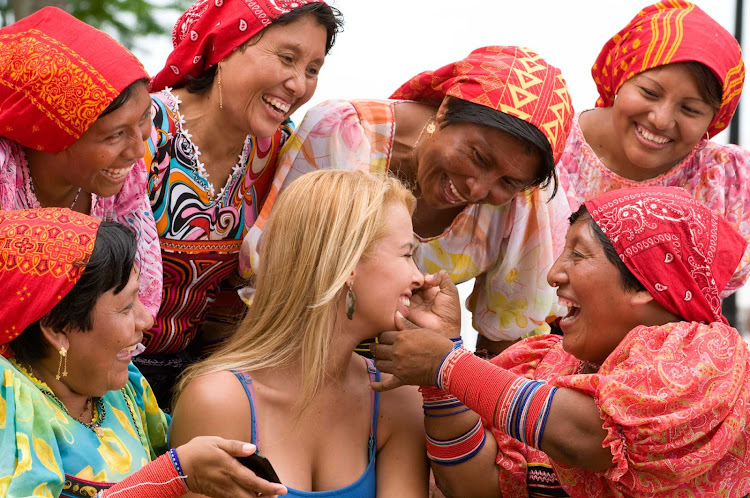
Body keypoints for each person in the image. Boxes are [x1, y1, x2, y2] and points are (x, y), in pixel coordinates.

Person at [369, 186, 750, 497]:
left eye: (578, 254)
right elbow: (476, 486)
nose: (553, 273)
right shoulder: (548, 364)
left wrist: (447, 366)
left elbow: (591, 435)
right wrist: (442, 380)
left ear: (644, 282)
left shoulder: (709, 356)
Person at [241, 45, 574, 358]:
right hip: (303, 352)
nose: (477, 190)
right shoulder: (345, 134)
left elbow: (507, 331)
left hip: (415, 373)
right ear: (444, 111)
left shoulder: (523, 200)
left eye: (508, 182)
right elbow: (280, 275)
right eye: (479, 157)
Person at [171, 170, 429, 497]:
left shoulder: (396, 400)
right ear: (347, 264)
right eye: (407, 254)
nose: (419, 277)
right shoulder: (218, 401)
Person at [0, 208, 287, 497]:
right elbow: (172, 472)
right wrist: (170, 475)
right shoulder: (10, 402)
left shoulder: (123, 390)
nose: (147, 320)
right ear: (58, 328)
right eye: (126, 307)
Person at [140, 0, 344, 407]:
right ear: (228, 46)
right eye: (287, 58)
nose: (298, 85)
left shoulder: (280, 155)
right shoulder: (145, 129)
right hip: (99, 365)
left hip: (199, 373)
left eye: (312, 70)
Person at [557, 0, 750, 296]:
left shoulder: (728, 181)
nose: (660, 120)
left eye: (689, 109)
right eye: (649, 92)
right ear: (622, 76)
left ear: (714, 119)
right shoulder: (551, 147)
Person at [0, 7, 161, 318]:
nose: (138, 149)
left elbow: (143, 292)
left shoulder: (120, 173)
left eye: (145, 118)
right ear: (51, 135)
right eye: (115, 135)